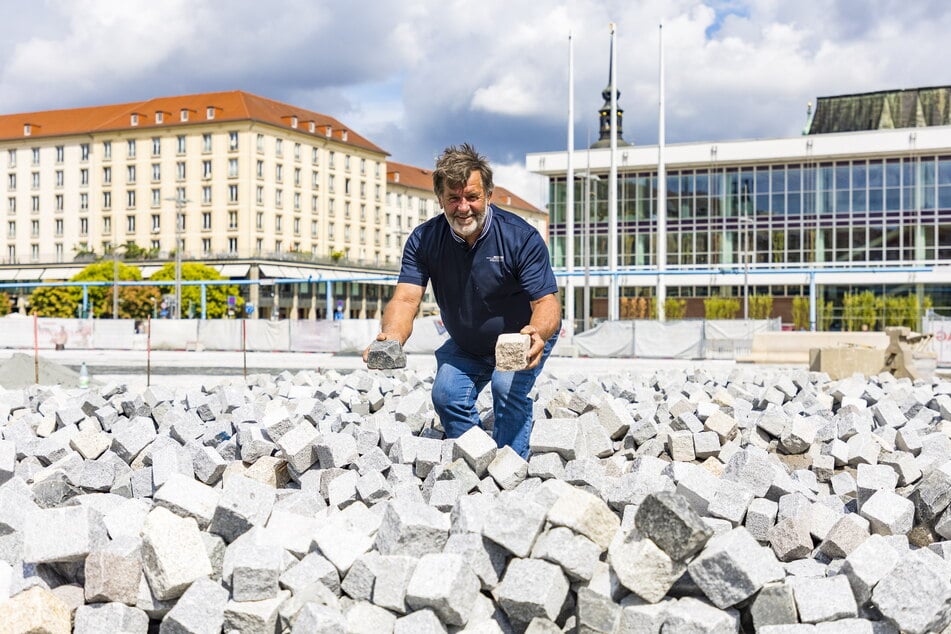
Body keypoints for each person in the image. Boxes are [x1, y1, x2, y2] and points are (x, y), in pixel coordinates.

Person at [364, 144, 561, 458]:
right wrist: (394, 336)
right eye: (453, 198)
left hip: (519, 339)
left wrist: (536, 333)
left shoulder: (520, 237)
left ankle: (511, 471)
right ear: (440, 199)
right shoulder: (424, 239)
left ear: (488, 196)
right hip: (468, 343)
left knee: (506, 388)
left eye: (472, 196)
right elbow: (405, 299)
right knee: (446, 395)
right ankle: (478, 462)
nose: (463, 207)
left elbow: (546, 302)